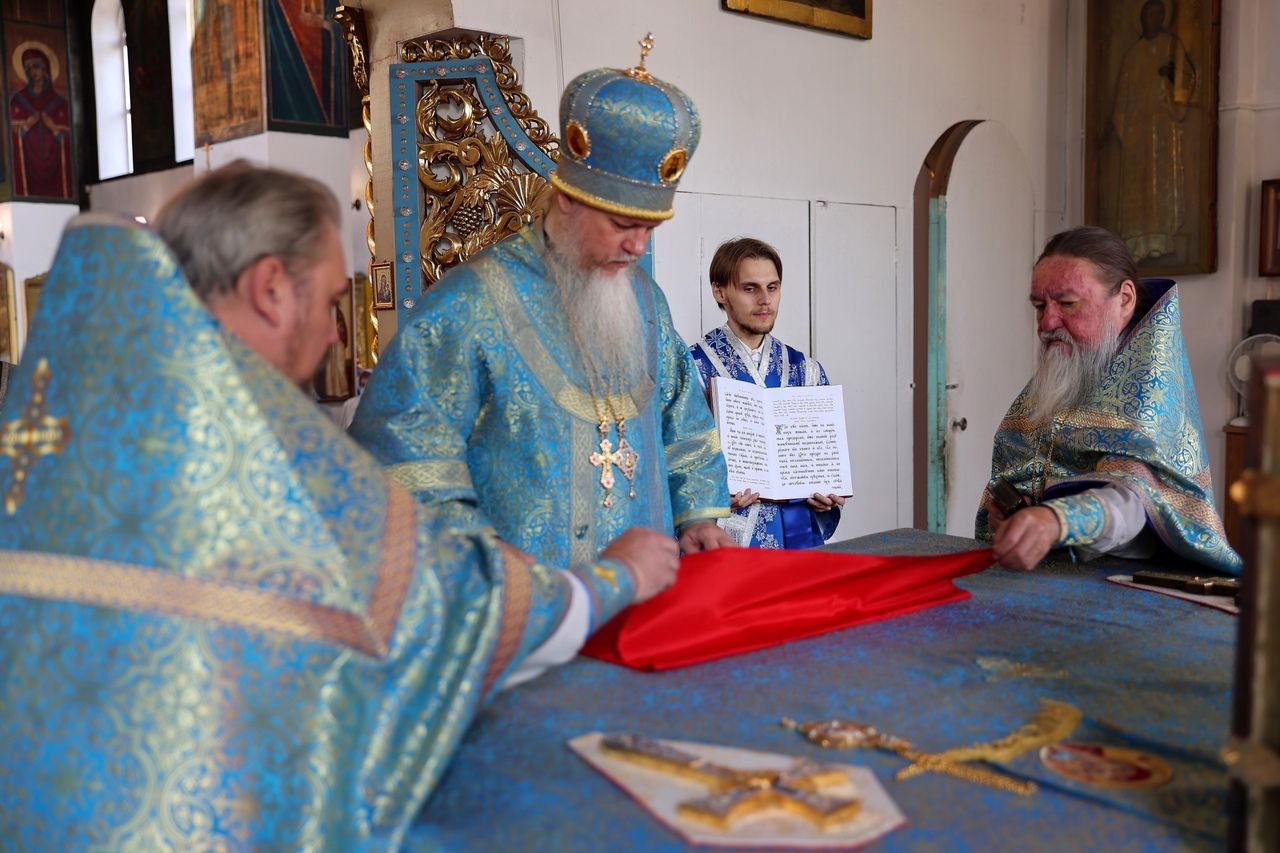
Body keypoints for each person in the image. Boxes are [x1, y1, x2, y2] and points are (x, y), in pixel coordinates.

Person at [0, 162, 678, 849]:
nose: (334, 334)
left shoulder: (76, 418)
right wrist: (614, 577)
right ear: (270, 288)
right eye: (330, 302)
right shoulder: (258, 449)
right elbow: (445, 611)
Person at [351, 49, 733, 566]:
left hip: (653, 597)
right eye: (623, 226)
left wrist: (697, 518)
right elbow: (406, 464)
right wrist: (493, 572)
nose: (638, 247)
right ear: (569, 199)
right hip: (532, 603)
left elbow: (683, 424)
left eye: (650, 228)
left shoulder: (647, 301)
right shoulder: (469, 306)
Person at [976, 225, 1239, 574]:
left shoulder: (1148, 393)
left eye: (1067, 303)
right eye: (1039, 306)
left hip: (1126, 584)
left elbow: (1134, 504)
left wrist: (1055, 521)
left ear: (1125, 299)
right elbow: (1035, 469)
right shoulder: (1071, 363)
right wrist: (1015, 513)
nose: (1047, 322)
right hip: (1045, 577)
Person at [689, 237, 844, 548]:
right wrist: (707, 501)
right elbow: (671, 462)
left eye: (772, 287)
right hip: (727, 543)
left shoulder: (806, 371)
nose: (765, 300)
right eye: (750, 289)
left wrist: (828, 495)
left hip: (797, 539)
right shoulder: (691, 369)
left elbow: (824, 469)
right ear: (720, 292)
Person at [1111, 0, 1196, 261]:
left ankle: (1163, 238)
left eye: (1159, 14)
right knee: (1138, 188)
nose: (1154, 18)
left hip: (1163, 130)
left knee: (1162, 184)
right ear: (1142, 17)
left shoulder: (1172, 46)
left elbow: (1188, 82)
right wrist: (1129, 132)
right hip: (1137, 135)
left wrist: (1171, 75)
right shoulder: (1133, 55)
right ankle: (1137, 245)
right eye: (1150, 13)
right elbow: (1122, 102)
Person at [9, 45, 72, 198]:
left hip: (55, 169)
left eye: (36, 67)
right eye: (29, 69)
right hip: (29, 168)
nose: (33, 72)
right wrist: (27, 126)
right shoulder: (18, 100)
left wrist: (53, 128)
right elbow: (12, 141)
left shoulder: (60, 103)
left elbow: (67, 142)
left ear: (45, 69)